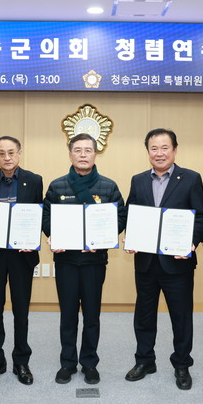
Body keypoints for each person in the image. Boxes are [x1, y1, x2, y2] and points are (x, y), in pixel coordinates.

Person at [42, 133, 126, 385]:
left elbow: (121, 217)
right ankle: (67, 363)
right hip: (66, 261)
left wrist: (102, 238)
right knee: (68, 315)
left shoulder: (108, 186)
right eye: (77, 150)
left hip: (94, 262)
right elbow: (46, 216)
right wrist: (53, 235)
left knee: (91, 315)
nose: (82, 155)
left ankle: (89, 363)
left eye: (87, 150)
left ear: (95, 154)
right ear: (70, 155)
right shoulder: (57, 186)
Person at [125, 128, 203, 390]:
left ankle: (182, 365)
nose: (159, 153)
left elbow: (200, 217)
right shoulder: (138, 180)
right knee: (144, 315)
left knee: (181, 317)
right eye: (154, 148)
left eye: (164, 147)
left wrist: (192, 242)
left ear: (175, 150)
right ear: (148, 151)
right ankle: (144, 360)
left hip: (178, 262)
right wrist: (131, 237)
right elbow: (131, 213)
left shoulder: (191, 178)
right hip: (146, 262)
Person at [0, 136, 43, 385]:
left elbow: (37, 215)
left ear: (19, 153)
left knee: (21, 311)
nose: (7, 157)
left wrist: (31, 239)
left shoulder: (34, 180)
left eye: (11, 152)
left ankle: (21, 362)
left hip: (21, 256)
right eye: (1, 153)